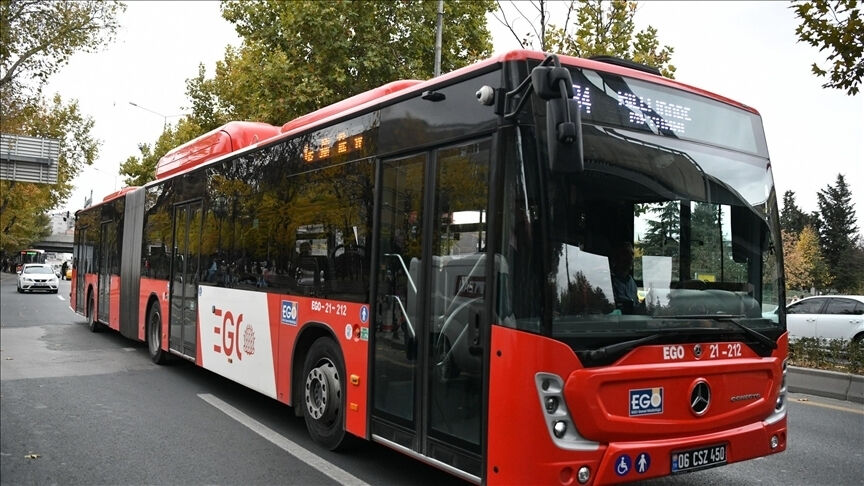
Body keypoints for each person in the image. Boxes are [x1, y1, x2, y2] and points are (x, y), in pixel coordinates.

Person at [609, 241, 642, 314]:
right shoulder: (609, 281)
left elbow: (636, 306)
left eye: (632, 254)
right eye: (625, 253)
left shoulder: (632, 282)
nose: (630, 257)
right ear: (616, 257)